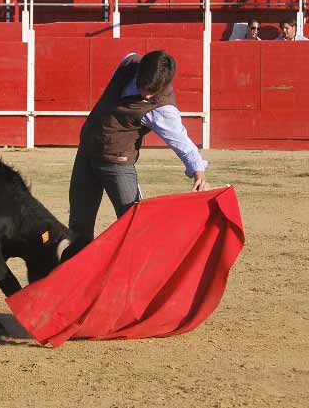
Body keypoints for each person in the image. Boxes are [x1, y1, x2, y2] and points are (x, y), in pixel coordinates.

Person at [66, 51, 210, 257]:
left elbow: (181, 140)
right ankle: (75, 279)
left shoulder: (162, 108)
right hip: (86, 155)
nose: (148, 96)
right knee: (79, 227)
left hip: (117, 164)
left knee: (134, 224)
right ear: (139, 73)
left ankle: (139, 277)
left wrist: (198, 171)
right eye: (145, 88)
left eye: (154, 91)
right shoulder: (128, 63)